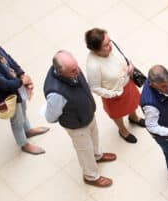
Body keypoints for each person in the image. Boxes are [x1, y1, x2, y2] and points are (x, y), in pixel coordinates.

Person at [0, 22, 48, 155]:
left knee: (23, 108)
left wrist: (21, 73)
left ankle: (28, 130)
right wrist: (22, 81)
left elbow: (9, 58)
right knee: (16, 119)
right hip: (8, 95)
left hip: (17, 85)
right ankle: (24, 143)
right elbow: (3, 84)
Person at [44, 50, 116, 188]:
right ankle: (90, 176)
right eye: (72, 70)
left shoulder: (72, 69)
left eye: (76, 67)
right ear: (60, 72)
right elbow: (50, 117)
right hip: (76, 126)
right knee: (84, 149)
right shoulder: (56, 93)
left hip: (88, 114)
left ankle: (97, 155)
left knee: (94, 136)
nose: (77, 71)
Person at [83, 27, 143, 144]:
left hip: (127, 83)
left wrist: (129, 64)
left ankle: (134, 117)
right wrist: (113, 94)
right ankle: (123, 130)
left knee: (133, 102)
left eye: (109, 41)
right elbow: (94, 87)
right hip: (113, 94)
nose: (110, 45)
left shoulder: (111, 44)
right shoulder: (93, 65)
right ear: (96, 50)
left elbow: (122, 52)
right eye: (106, 45)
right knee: (117, 113)